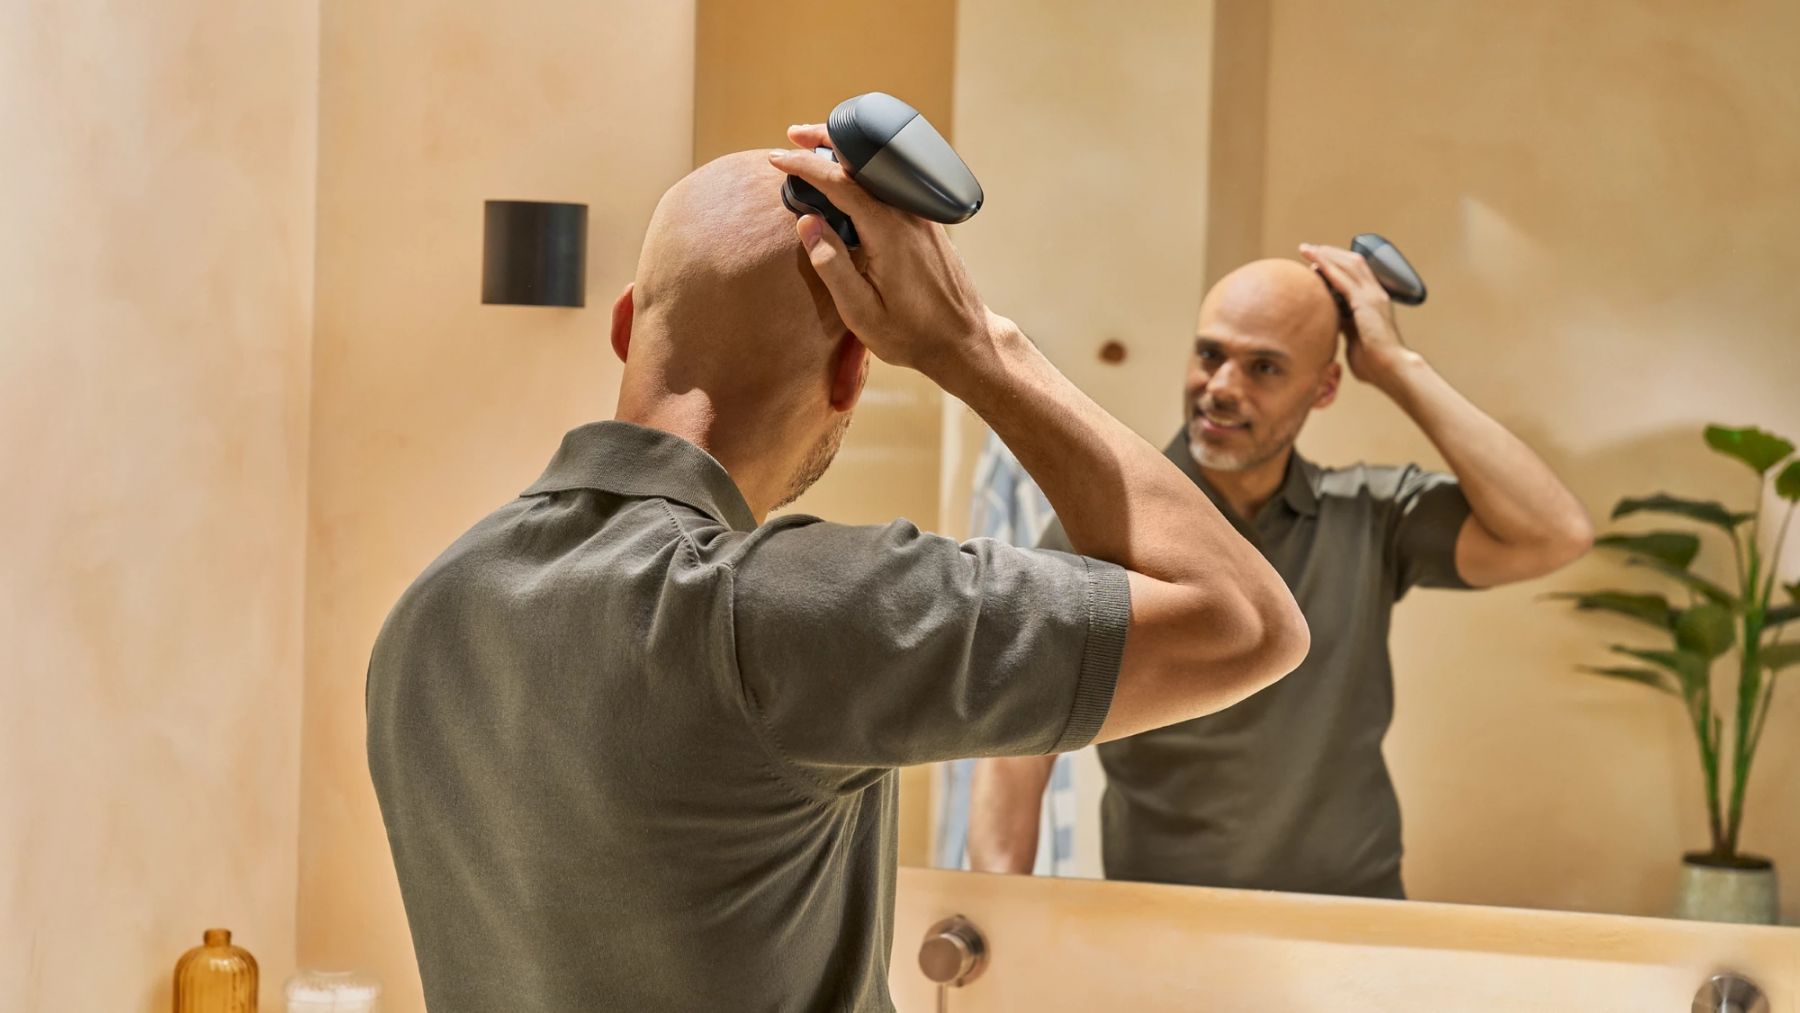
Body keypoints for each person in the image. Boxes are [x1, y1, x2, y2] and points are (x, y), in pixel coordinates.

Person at [364, 128, 1309, 1012]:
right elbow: (1248, 623)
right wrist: (974, 346)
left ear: (625, 323)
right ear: (855, 370)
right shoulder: (782, 611)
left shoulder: (429, 614)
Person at [968, 252, 1594, 900]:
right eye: (1210, 354)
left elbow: (1553, 534)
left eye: (1263, 367)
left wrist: (1396, 366)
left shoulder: (1371, 515)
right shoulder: (1112, 520)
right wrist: (998, 916)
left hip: (1355, 920)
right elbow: (1021, 729)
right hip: (1165, 921)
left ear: (1324, 388)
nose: (1221, 386)